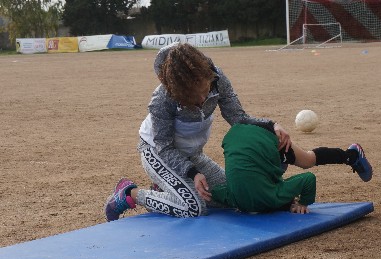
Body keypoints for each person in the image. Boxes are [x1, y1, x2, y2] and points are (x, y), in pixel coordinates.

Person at [105, 42, 291, 221]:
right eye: (194, 97)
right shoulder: (162, 99)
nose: (203, 99)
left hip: (191, 154)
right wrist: (193, 173)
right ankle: (129, 193)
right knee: (193, 207)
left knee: (233, 196)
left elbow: (238, 118)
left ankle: (166, 189)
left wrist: (270, 125)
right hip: (157, 153)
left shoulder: (217, 79)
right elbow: (165, 147)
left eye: (205, 90)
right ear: (178, 92)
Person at [211, 118, 372, 214]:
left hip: (266, 135)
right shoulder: (232, 199)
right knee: (271, 170)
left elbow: (308, 179)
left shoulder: (274, 196)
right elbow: (213, 193)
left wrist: (303, 203)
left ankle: (352, 155)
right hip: (236, 134)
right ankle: (349, 156)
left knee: (307, 160)